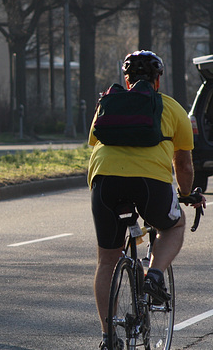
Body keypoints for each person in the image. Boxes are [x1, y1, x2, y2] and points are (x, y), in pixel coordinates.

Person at [88, 50, 205, 350]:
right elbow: (185, 165)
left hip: (104, 181)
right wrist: (185, 195)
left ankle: (107, 338)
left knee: (107, 260)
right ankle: (154, 275)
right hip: (149, 183)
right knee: (174, 224)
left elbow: (95, 142)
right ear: (158, 79)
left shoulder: (107, 102)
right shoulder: (172, 108)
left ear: (126, 80)